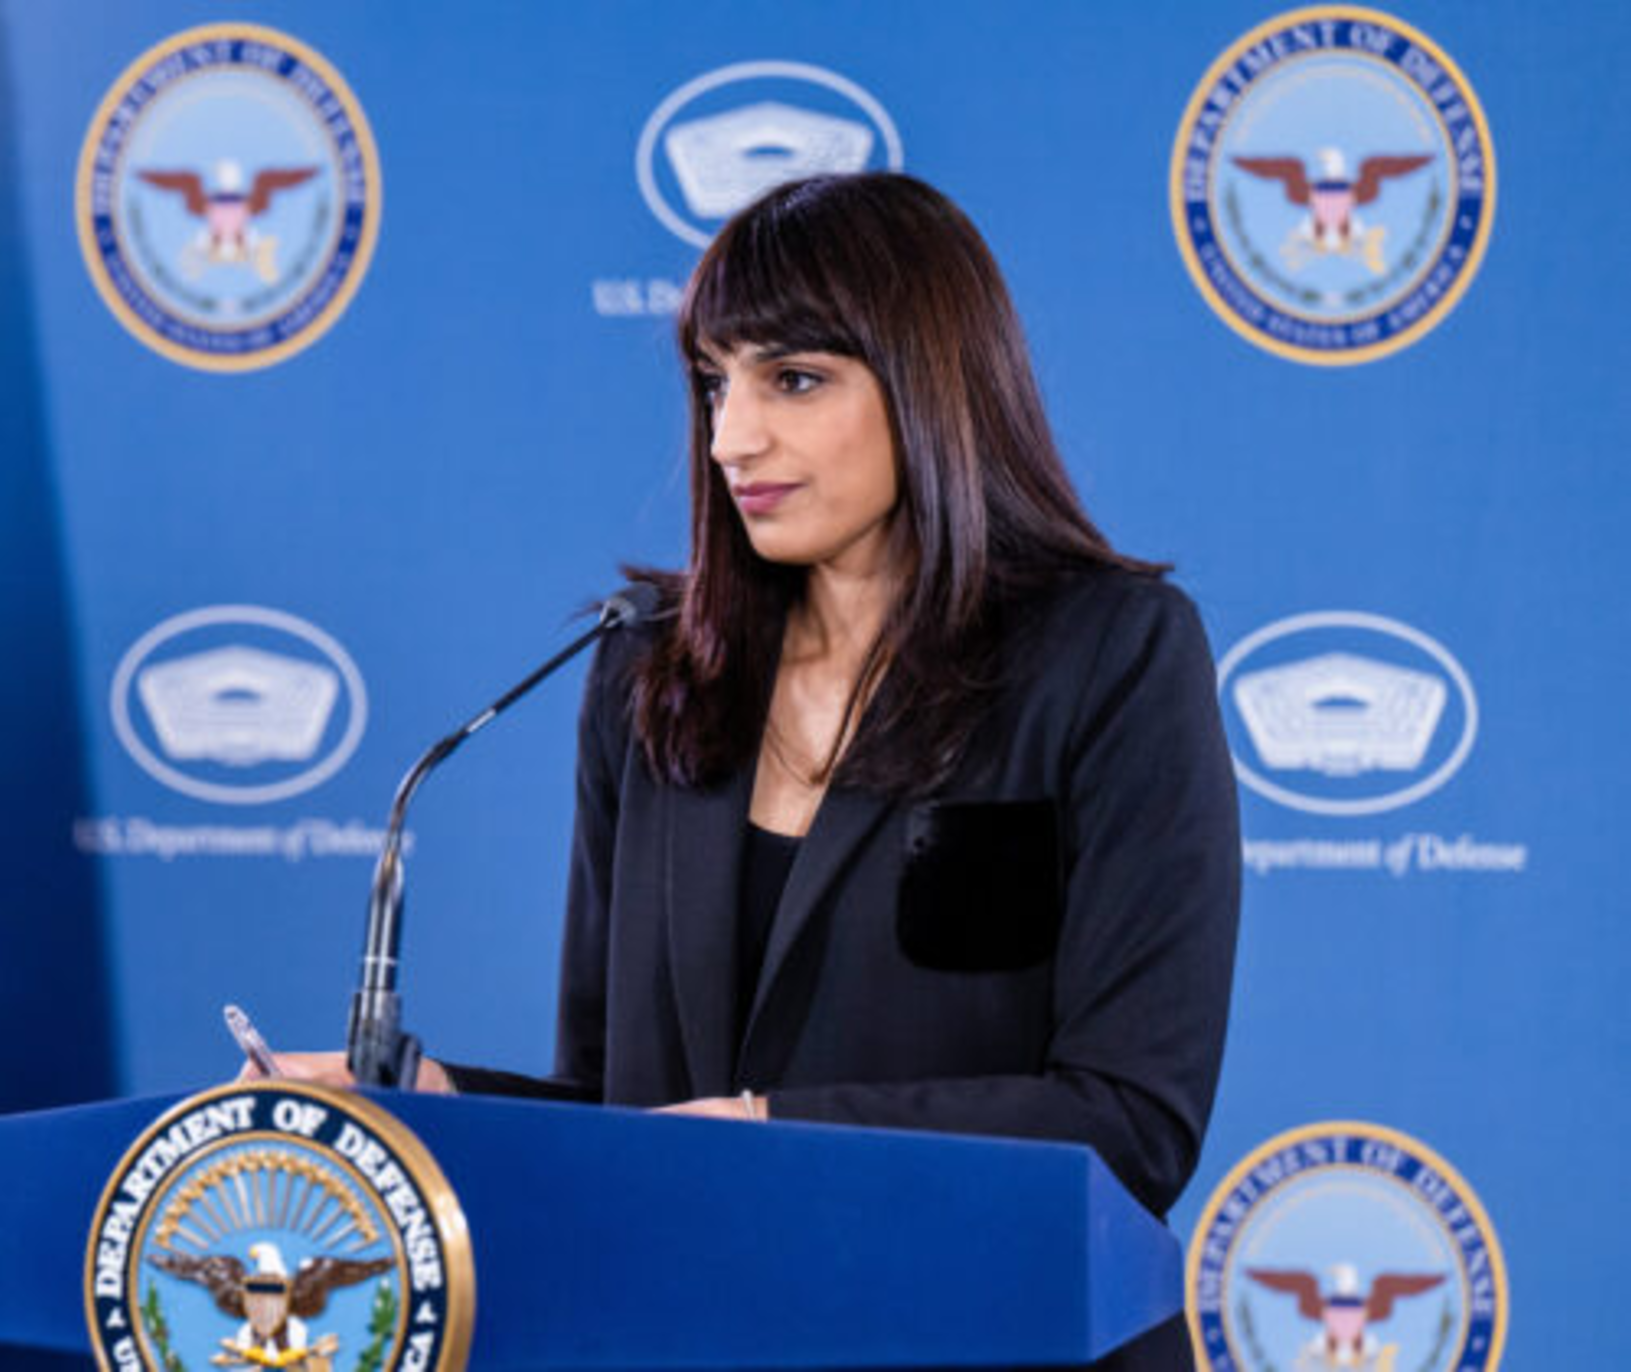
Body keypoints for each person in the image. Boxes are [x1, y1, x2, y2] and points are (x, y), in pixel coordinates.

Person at [250, 172, 1239, 1369]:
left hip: (993, 1338)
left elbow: (1131, 1122)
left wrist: (771, 1133)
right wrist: (434, 1104)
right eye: (715, 382)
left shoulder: (1112, 655)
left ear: (932, 381)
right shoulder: (650, 673)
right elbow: (623, 1109)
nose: (731, 438)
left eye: (794, 380)